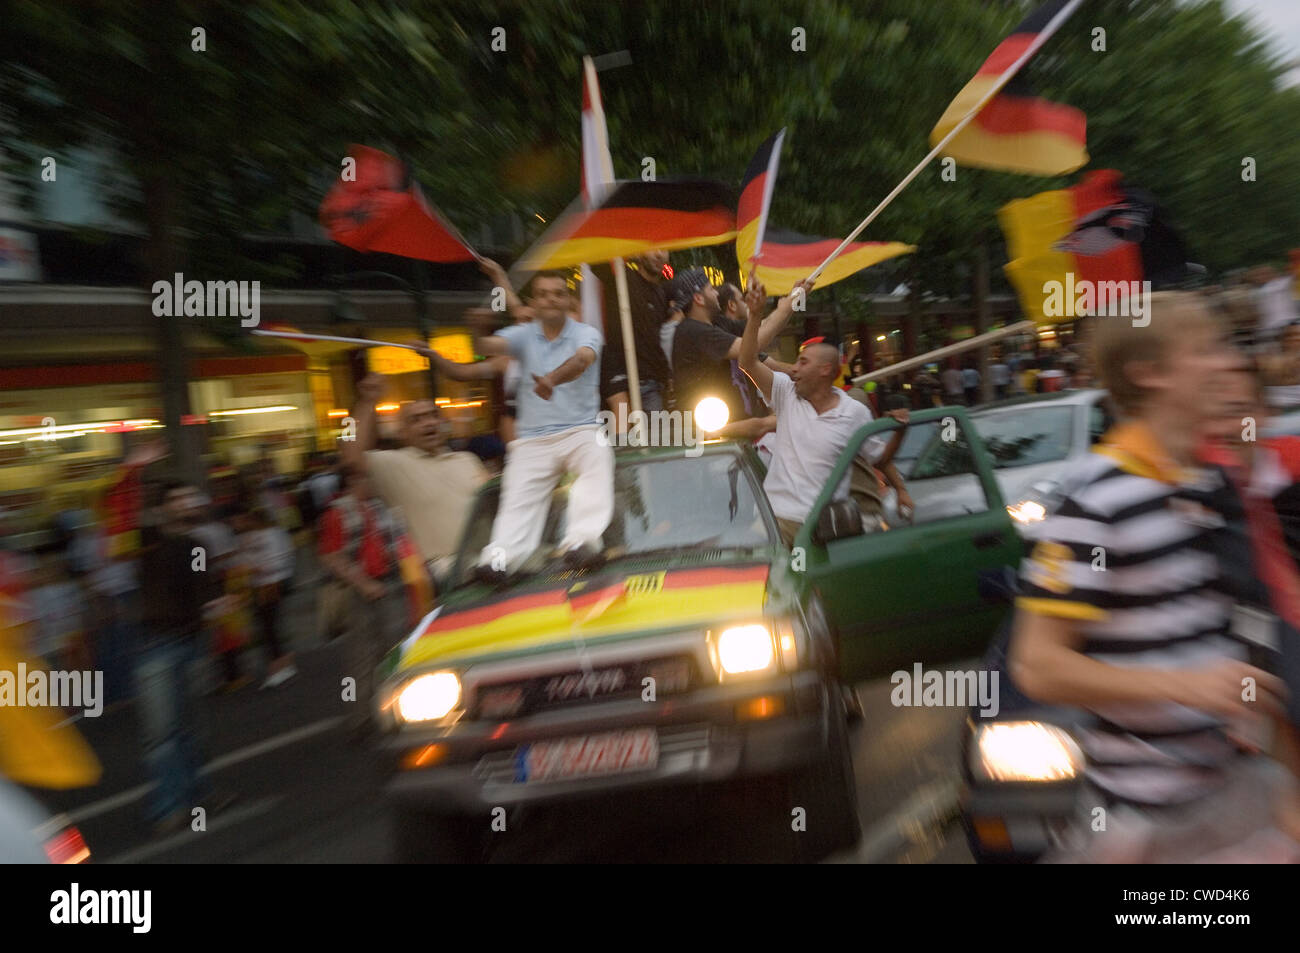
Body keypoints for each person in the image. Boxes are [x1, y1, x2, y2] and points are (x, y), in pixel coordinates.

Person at [1007, 293, 1300, 863]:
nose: (1224, 363)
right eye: (1204, 350)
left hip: (1235, 799)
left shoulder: (1203, 481)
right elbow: (1037, 666)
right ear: (1151, 374)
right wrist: (1185, 684)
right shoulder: (1093, 502)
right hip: (1154, 828)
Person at [421, 271, 613, 578]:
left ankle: (583, 541)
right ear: (534, 304)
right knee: (517, 497)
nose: (551, 299)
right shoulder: (521, 339)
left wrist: (552, 379)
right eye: (543, 294)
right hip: (532, 440)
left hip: (580, 430)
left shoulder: (585, 333)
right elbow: (481, 348)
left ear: (568, 302)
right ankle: (501, 558)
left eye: (558, 294)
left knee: (598, 454)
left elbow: (581, 361)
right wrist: (472, 330)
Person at [738, 286, 912, 547]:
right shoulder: (786, 394)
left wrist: (900, 432)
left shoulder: (854, 412)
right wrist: (755, 315)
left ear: (825, 370)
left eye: (803, 362)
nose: (794, 368)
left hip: (824, 529)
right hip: (775, 523)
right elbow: (747, 362)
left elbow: (879, 458)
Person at [134, 480, 232, 834]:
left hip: (192, 642)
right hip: (157, 645)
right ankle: (168, 806)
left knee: (190, 728)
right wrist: (139, 470)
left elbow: (206, 588)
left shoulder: (197, 545)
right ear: (162, 508)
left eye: (189, 495)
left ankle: (196, 794)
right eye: (177, 497)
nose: (186, 501)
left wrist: (217, 605)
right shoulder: (150, 541)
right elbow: (135, 508)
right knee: (163, 733)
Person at [343, 372, 489, 592]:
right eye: (416, 419)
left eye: (432, 415)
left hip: (492, 563)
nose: (428, 423)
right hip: (445, 580)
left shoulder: (467, 459)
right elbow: (348, 455)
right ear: (402, 432)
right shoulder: (392, 464)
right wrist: (365, 403)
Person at [318, 464, 409, 738]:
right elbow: (331, 556)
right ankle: (359, 719)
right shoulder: (339, 512)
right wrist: (364, 583)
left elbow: (394, 543)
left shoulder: (378, 508)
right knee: (361, 659)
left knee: (387, 651)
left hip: (384, 585)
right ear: (355, 478)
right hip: (358, 593)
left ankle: (388, 709)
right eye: (369, 476)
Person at [671, 270, 799, 441]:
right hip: (710, 437)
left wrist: (795, 298)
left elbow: (762, 327)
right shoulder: (692, 331)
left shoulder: (718, 324)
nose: (716, 292)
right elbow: (752, 346)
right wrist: (787, 306)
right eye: (711, 289)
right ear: (699, 299)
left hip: (733, 430)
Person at [588, 252, 672, 415]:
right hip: (624, 385)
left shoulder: (661, 293)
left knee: (658, 438)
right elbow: (595, 255)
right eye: (652, 248)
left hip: (655, 385)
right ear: (638, 254)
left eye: (664, 249)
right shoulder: (621, 278)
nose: (659, 254)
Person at [237, 506, 296, 688]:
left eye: (246, 519)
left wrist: (253, 568)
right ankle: (282, 664)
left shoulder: (271, 535)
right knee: (268, 627)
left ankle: (278, 667)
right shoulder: (254, 536)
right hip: (260, 585)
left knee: (269, 627)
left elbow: (278, 559)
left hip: (270, 584)